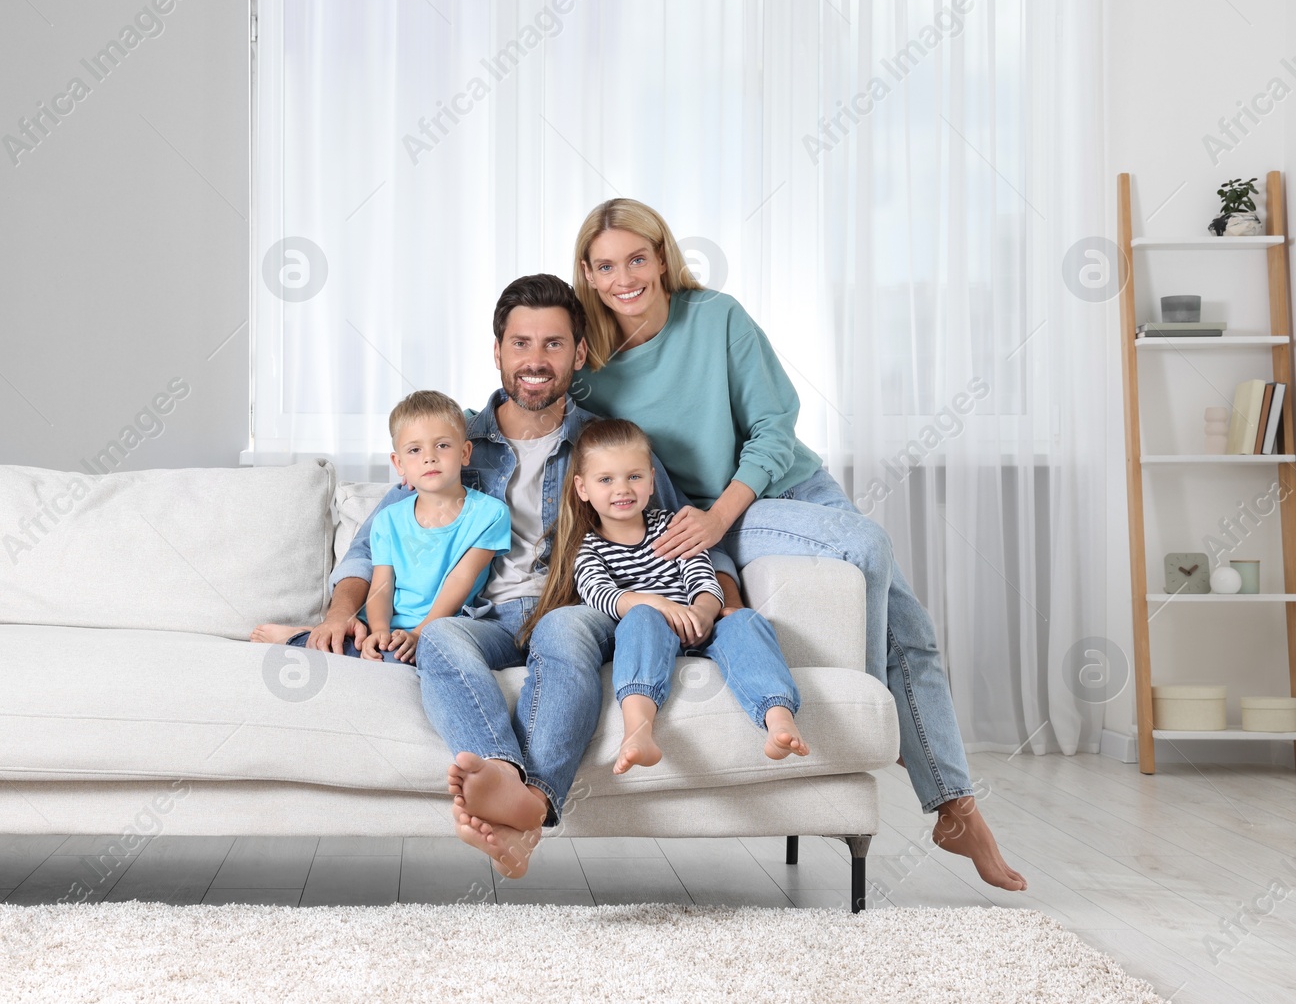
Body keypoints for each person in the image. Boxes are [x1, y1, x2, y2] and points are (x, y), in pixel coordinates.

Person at [567, 197, 1027, 892]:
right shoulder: (592, 370)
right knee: (868, 546)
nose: (625, 276)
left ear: (662, 256)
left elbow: (776, 425)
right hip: (715, 516)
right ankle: (894, 740)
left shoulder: (717, 317)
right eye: (607, 265)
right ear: (589, 275)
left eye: (638, 257)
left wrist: (722, 513)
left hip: (783, 489)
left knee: (915, 633)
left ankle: (954, 804)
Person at [296, 273, 742, 877]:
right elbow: (370, 549)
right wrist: (340, 612)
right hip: (485, 618)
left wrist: (725, 606)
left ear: (579, 353)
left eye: (554, 344)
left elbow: (686, 535)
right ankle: (506, 779)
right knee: (442, 637)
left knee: (561, 631)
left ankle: (531, 804)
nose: (536, 360)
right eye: (522, 343)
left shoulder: (606, 443)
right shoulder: (455, 442)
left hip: (578, 605)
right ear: (498, 350)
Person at [517, 416, 808, 777]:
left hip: (699, 628)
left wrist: (704, 610)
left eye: (634, 476)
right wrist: (660, 605)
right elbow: (601, 594)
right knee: (642, 618)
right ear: (582, 488)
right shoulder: (588, 547)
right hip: (648, 634)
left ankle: (778, 718)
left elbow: (702, 575)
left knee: (744, 619)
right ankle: (638, 730)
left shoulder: (671, 526)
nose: (622, 489)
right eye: (606, 479)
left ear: (652, 480)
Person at [251, 390, 510, 664]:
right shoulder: (388, 520)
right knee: (376, 650)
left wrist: (420, 633)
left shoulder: (490, 514)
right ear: (399, 464)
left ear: (465, 453)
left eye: (443, 446)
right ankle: (323, 637)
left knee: (413, 656)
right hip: (388, 624)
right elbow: (382, 586)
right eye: (414, 450)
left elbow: (461, 581)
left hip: (443, 627)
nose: (429, 457)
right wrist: (379, 632)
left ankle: (301, 639)